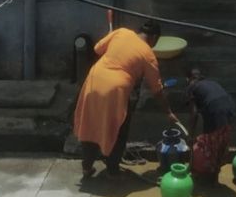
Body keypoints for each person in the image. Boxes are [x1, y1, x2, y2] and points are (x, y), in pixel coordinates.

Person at [73, 20, 177, 178]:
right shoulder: (148, 54)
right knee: (118, 128)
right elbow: (157, 90)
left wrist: (112, 41)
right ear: (154, 37)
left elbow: (97, 49)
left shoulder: (121, 32)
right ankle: (112, 170)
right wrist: (168, 112)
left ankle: (87, 167)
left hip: (94, 81)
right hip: (115, 90)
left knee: (91, 123)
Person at [185, 67, 236, 184]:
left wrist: (190, 134)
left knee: (210, 147)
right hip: (230, 111)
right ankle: (214, 177)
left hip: (215, 112)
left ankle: (208, 179)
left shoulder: (192, 87)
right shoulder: (212, 82)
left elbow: (193, 114)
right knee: (220, 144)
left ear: (189, 79)